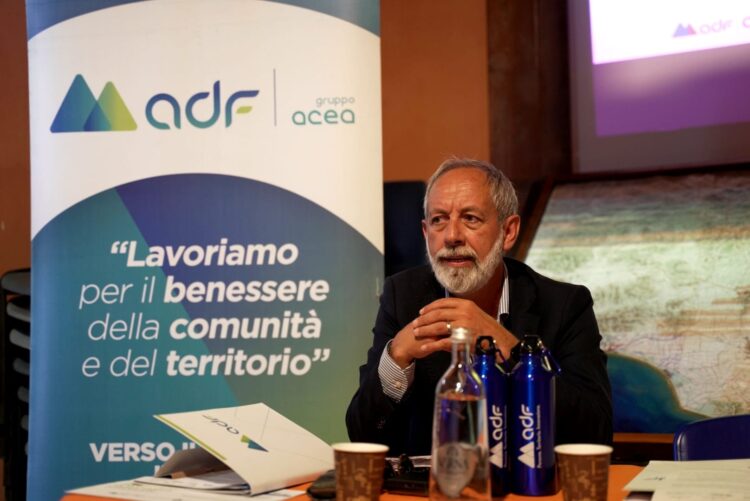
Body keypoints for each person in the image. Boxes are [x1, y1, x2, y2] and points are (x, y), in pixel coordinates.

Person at [346, 158, 612, 455]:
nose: (452, 236)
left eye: (470, 218)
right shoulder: (403, 296)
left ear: (508, 232)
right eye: (438, 220)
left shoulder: (564, 305)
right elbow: (362, 436)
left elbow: (595, 433)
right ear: (425, 233)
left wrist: (508, 348)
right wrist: (397, 358)